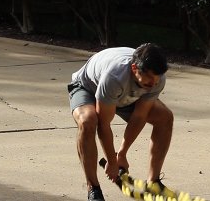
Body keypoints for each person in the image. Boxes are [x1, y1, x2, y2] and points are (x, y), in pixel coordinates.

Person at [68, 43, 174, 201]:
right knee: (88, 121)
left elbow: (139, 117)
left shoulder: (157, 80)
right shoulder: (114, 76)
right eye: (149, 78)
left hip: (125, 95)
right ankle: (93, 188)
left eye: (156, 79)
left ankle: (153, 183)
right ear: (134, 69)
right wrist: (111, 162)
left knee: (165, 118)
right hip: (88, 87)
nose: (153, 84)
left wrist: (122, 154)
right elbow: (104, 125)